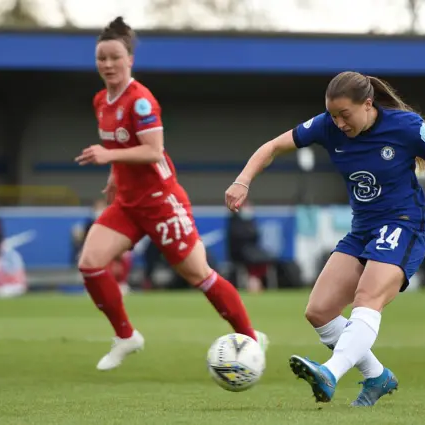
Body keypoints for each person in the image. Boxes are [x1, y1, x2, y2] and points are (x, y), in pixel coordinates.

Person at [225, 71, 425, 406]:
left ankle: (330, 372)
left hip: (403, 224)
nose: (339, 123)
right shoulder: (326, 125)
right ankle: (377, 376)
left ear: (367, 104)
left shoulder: (406, 127)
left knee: (366, 297)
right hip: (363, 230)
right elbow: (273, 147)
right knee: (319, 311)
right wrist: (243, 180)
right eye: (333, 115)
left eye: (345, 115)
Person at [75, 17, 267, 371]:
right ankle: (126, 336)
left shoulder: (141, 101)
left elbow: (152, 150)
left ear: (129, 59)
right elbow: (121, 145)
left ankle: (251, 340)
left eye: (115, 57)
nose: (107, 64)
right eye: (101, 58)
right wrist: (115, 176)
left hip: (161, 202)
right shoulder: (101, 100)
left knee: (199, 275)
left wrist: (108, 157)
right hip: (128, 204)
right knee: (90, 263)